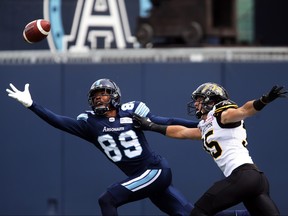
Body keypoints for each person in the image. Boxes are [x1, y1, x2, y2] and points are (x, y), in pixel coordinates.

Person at [133, 82, 286, 216]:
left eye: (199, 99)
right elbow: (182, 132)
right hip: (256, 179)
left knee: (199, 212)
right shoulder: (208, 124)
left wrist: (264, 100)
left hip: (242, 176)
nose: (195, 104)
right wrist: (151, 126)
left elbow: (244, 111)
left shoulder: (223, 114)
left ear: (210, 100)